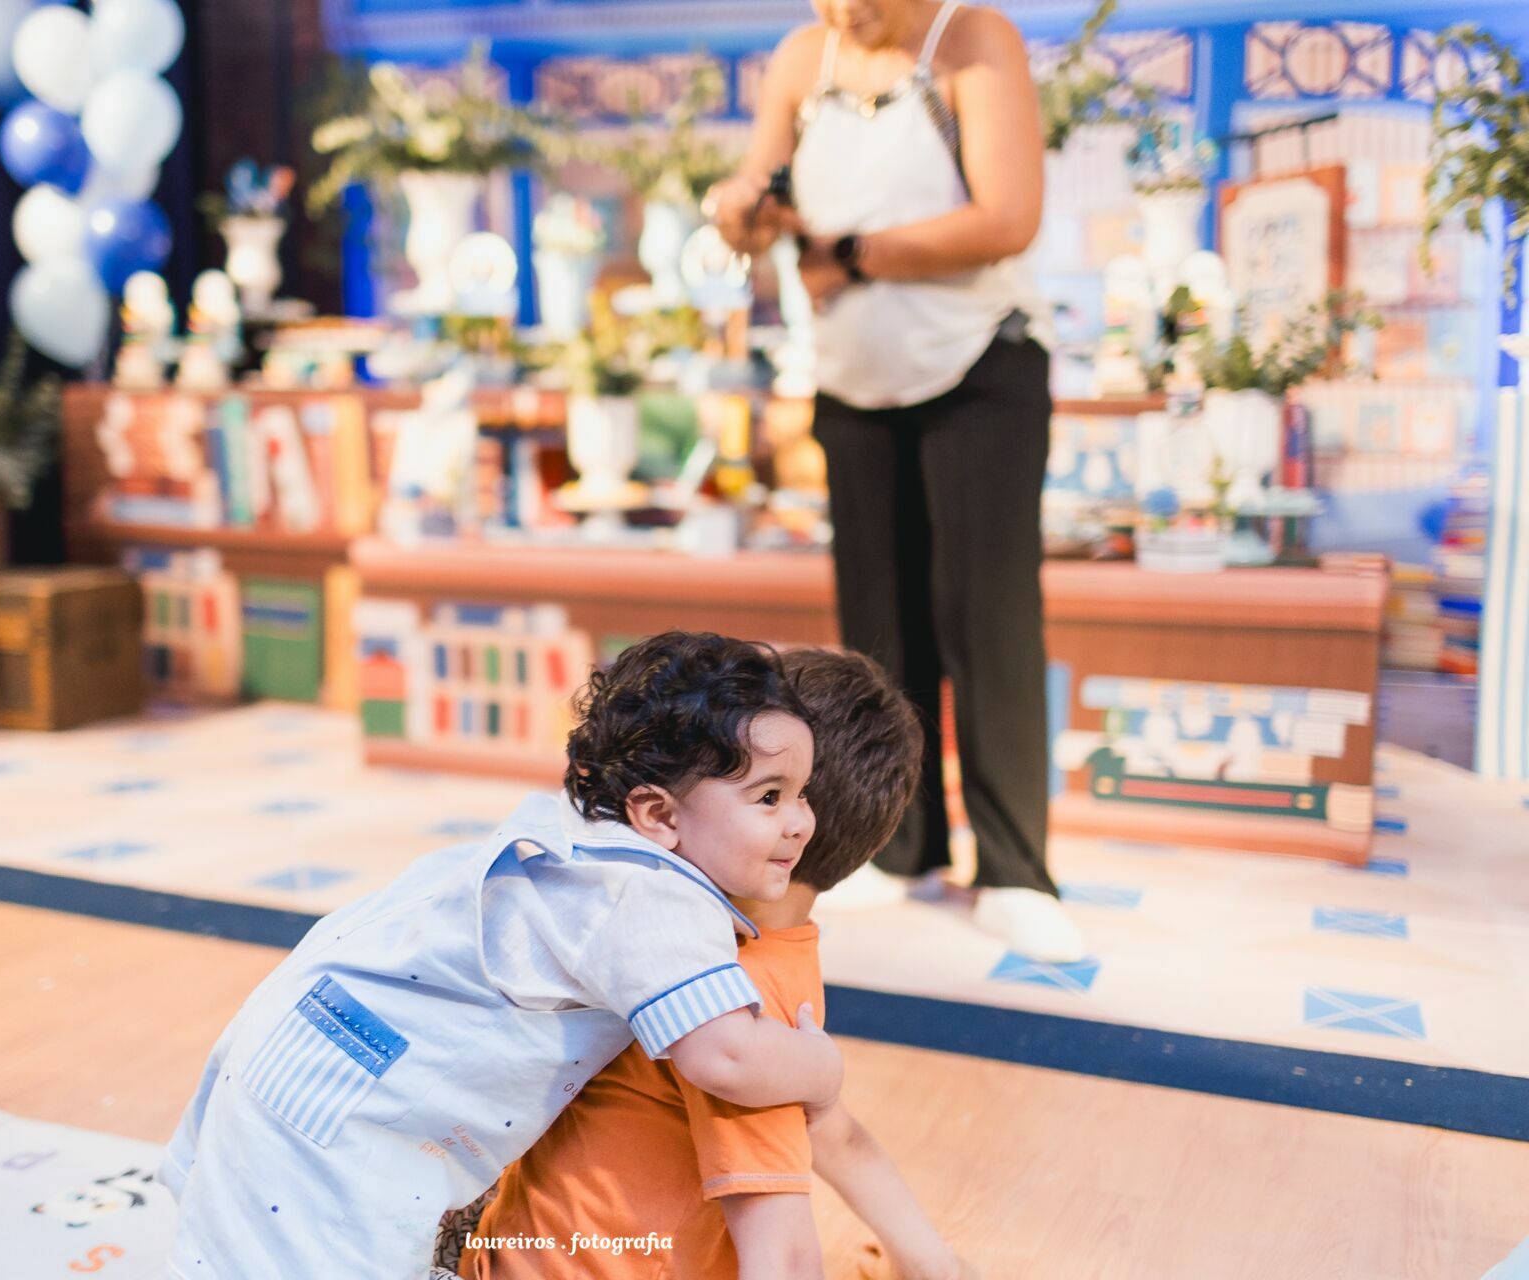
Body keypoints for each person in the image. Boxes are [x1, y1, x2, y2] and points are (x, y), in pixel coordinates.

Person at [160, 631, 846, 1280]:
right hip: (348, 1124)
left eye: (803, 794)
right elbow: (725, 1056)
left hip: (298, 1052)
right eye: (769, 797)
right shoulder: (648, 896)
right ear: (659, 816)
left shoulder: (570, 838)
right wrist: (821, 1066)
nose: (800, 822)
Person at [705, 0, 1083, 962]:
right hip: (851, 379)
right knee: (876, 627)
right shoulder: (803, 57)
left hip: (980, 375)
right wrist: (739, 207)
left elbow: (1008, 217)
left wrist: (849, 255)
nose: (844, 12)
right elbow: (760, 184)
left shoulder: (972, 37)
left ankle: (1015, 869)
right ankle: (899, 842)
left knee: (986, 621)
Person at [457, 648, 973, 1280]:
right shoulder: (772, 976)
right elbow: (815, 1155)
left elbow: (787, 1233)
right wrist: (928, 1259)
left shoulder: (730, 992)